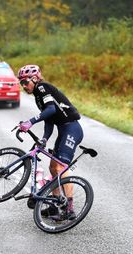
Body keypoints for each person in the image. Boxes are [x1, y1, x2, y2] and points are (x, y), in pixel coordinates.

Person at [17, 64, 83, 220]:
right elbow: (49, 120)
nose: (24, 86)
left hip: (72, 129)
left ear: (34, 78)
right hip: (63, 129)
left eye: (25, 82)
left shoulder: (42, 88)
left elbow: (51, 110)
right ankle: (54, 206)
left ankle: (69, 208)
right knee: (53, 167)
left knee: (60, 167)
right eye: (21, 83)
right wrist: (45, 139)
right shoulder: (38, 96)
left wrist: (31, 122)